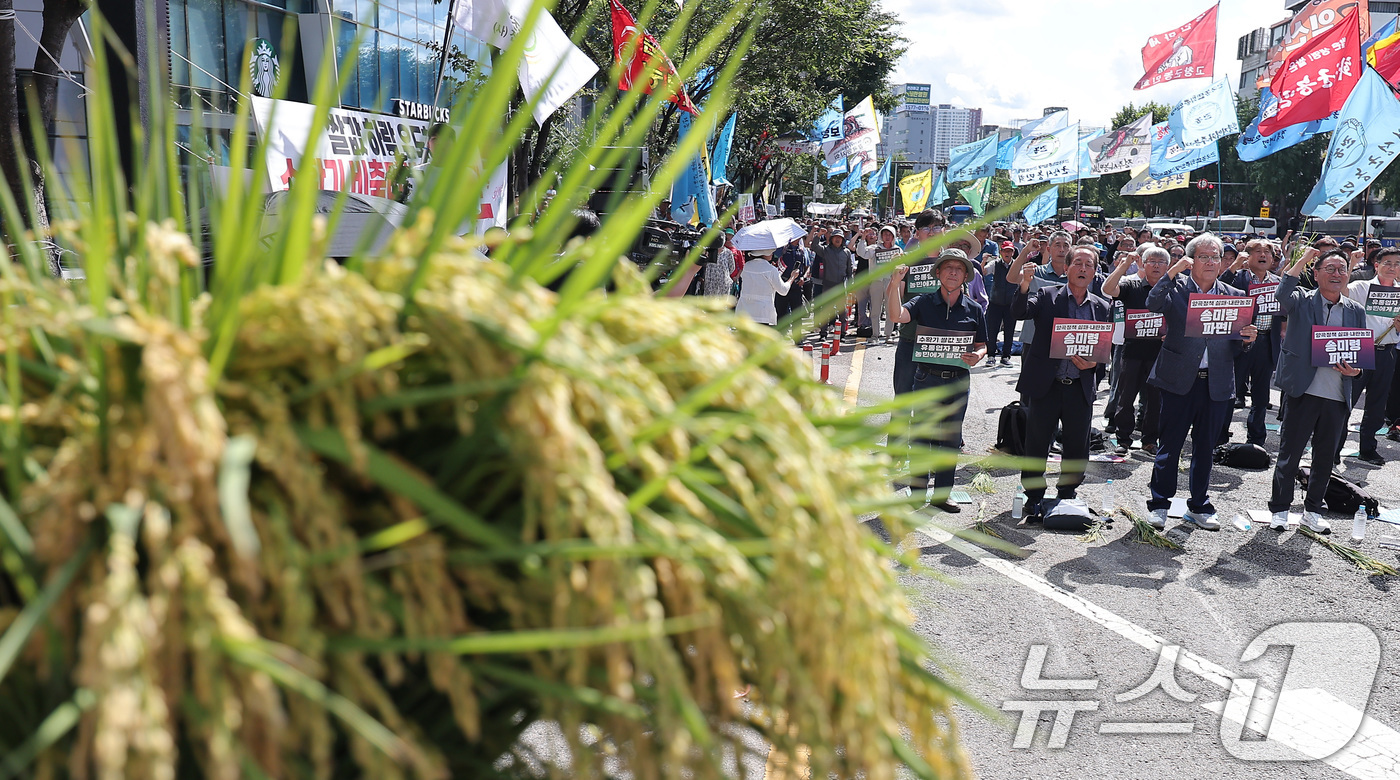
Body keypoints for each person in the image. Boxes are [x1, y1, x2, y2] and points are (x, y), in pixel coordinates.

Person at [1144, 234, 1259, 530]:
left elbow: (1238, 344)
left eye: (1216, 257)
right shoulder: (1176, 288)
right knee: (1170, 445)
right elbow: (1153, 303)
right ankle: (1159, 503)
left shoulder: (1234, 295)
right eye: (1204, 256)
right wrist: (1171, 272)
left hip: (1217, 382)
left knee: (1206, 447)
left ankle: (1198, 505)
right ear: (1192, 260)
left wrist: (1248, 339)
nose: (1210, 262)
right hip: (1178, 379)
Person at [1007, 245, 1112, 523]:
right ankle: (1033, 496)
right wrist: (1024, 285)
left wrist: (1094, 366)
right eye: (1077, 263)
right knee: (1037, 443)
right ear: (1066, 268)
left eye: (1088, 265)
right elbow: (1019, 312)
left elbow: (1103, 349)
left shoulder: (1102, 307)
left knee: (1077, 445)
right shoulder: (1047, 295)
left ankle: (1067, 492)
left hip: (1079, 386)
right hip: (1047, 384)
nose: (1082, 269)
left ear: (1095, 272)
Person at [1268, 249, 1368, 533]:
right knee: (1290, 455)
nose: (1336, 274)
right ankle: (1280, 509)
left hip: (1336, 395)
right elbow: (1282, 292)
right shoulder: (1301, 299)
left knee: (1324, 459)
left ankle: (1312, 510)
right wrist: (1303, 258)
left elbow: (1359, 353)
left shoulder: (1354, 310)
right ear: (1316, 273)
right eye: (1330, 268)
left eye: (1342, 269)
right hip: (1303, 390)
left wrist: (1356, 371)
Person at [887, 249, 988, 512]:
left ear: (966, 276)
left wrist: (977, 355)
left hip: (957, 382)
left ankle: (942, 495)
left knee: (950, 439)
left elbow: (982, 344)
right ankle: (917, 492)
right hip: (926, 378)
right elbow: (897, 316)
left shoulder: (974, 309)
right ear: (938, 273)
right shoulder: (923, 302)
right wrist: (894, 283)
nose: (953, 272)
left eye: (959, 269)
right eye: (948, 268)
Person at [1101, 244, 1168, 456]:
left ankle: (1149, 440)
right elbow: (1108, 289)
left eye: (1161, 262)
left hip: (1160, 352)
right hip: (1132, 350)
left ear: (1168, 266)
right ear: (1143, 264)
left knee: (1155, 400)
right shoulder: (1131, 285)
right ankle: (1123, 438)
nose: (1156, 266)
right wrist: (1124, 265)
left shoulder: (1173, 287)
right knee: (1125, 397)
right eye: (1152, 261)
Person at [1340, 246, 1400, 465]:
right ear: (1377, 265)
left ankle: (1368, 447)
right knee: (1348, 399)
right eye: (1388, 263)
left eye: (1397, 264)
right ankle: (1335, 445)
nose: (1393, 267)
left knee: (1377, 402)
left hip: (1387, 351)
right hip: (1361, 349)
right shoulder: (1362, 287)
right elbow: (1341, 291)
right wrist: (1350, 264)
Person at [1227, 239, 1283, 445]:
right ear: (1247, 256)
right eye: (1258, 251)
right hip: (1240, 341)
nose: (1263, 255)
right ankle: (1220, 435)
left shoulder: (1277, 282)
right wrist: (1234, 266)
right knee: (1230, 392)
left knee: (1261, 395)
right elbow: (1220, 286)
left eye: (1267, 252)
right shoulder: (1238, 278)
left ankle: (1257, 438)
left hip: (1267, 340)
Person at [734, 249, 792, 326]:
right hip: (763, 314)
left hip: (745, 311)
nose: (772, 254)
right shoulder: (771, 270)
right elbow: (783, 290)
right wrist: (792, 278)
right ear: (764, 254)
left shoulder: (746, 266)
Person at [983, 241, 1020, 366]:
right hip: (995, 302)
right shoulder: (995, 264)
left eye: (1009, 251)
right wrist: (984, 261)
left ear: (1013, 252)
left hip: (1011, 303)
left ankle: (1005, 357)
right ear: (1001, 252)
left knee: (1009, 331)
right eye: (1005, 251)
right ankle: (991, 356)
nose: (1007, 253)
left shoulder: (1017, 265)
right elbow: (983, 272)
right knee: (992, 330)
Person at [866, 226, 903, 342]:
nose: (887, 237)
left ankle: (888, 334)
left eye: (889, 234)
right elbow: (862, 253)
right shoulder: (874, 248)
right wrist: (862, 238)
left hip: (890, 281)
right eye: (885, 234)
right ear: (881, 236)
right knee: (875, 309)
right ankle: (875, 334)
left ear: (893, 236)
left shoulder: (898, 250)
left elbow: (901, 265)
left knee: (890, 308)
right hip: (876, 281)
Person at [814, 230, 853, 338]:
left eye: (840, 237)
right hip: (828, 285)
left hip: (841, 285)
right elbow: (814, 246)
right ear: (831, 239)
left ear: (843, 239)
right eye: (835, 237)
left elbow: (849, 270)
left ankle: (842, 335)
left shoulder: (847, 252)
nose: (837, 239)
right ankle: (823, 335)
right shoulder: (826, 250)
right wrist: (818, 235)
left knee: (842, 312)